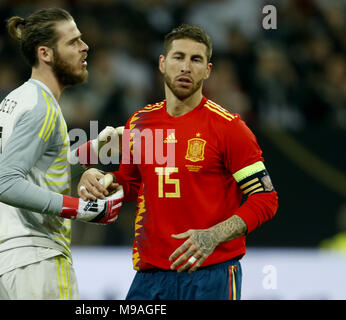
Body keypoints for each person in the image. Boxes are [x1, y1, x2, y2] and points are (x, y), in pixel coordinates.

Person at [78, 24, 279, 300]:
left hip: (211, 274)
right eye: (178, 57)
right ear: (162, 63)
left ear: (207, 70)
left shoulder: (229, 128)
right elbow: (134, 184)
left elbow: (265, 199)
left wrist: (213, 236)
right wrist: (105, 180)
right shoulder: (140, 122)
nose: (186, 67)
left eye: (196, 59)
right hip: (150, 276)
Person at [0, 8, 124, 300]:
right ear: (45, 53)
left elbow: (40, 167)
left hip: (1, 267)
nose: (85, 48)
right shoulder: (43, 108)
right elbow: (5, 183)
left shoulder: (18, 99)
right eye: (73, 42)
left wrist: (96, 148)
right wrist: (83, 209)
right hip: (39, 262)